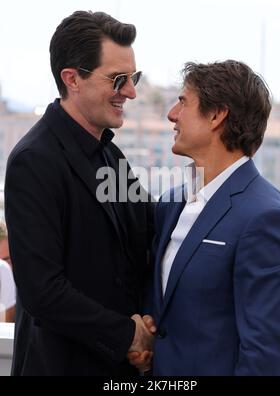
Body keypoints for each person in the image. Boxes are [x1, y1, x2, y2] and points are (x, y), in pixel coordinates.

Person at [4, 11, 155, 376]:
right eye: (119, 79)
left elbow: (145, 236)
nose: (131, 92)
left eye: (133, 78)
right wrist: (128, 336)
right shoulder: (33, 160)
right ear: (72, 79)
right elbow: (43, 292)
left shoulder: (110, 153)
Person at [130, 60, 280, 375]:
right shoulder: (171, 203)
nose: (172, 114)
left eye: (183, 102)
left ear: (216, 115)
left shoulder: (265, 217)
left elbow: (265, 354)